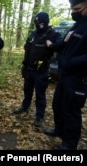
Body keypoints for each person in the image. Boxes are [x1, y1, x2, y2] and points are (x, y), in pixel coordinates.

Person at [43, 0, 87, 150]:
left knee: (71, 110)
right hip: (65, 75)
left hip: (78, 78)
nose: (73, 11)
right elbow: (61, 44)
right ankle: (59, 129)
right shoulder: (76, 25)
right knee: (58, 105)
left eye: (77, 8)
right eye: (71, 8)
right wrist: (63, 42)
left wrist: (71, 61)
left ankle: (69, 144)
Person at [13, 12, 61, 127]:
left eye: (40, 23)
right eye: (37, 22)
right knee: (27, 90)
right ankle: (25, 106)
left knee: (40, 94)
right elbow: (27, 50)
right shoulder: (33, 34)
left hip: (41, 70)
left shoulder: (53, 34)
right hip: (29, 68)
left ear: (45, 22)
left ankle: (39, 116)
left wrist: (52, 45)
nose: (38, 25)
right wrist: (24, 66)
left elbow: (61, 45)